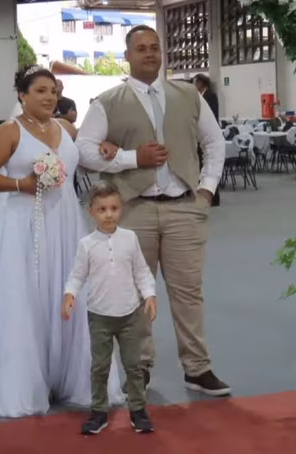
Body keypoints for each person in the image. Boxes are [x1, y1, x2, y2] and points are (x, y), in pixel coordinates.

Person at [0, 65, 124, 418]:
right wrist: (21, 185)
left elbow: (86, 159)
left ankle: (73, 377)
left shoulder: (65, 128)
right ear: (22, 95)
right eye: (41, 91)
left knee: (68, 289)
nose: (50, 97)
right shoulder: (9, 131)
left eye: (53, 91)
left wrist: (106, 149)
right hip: (23, 223)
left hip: (65, 220)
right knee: (27, 296)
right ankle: (24, 381)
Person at [75, 25, 230, 396]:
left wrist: (206, 190)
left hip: (184, 208)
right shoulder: (107, 102)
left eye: (154, 47)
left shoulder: (189, 94)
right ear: (127, 55)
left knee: (188, 293)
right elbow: (83, 151)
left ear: (162, 53)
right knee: (134, 294)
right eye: (141, 48)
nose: (149, 53)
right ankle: (139, 367)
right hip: (133, 209)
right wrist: (131, 159)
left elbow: (214, 143)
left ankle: (197, 367)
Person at [62, 181, 157, 435]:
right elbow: (77, 275)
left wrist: (149, 295)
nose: (109, 214)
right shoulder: (87, 244)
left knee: (134, 366)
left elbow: (142, 271)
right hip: (99, 317)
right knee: (99, 367)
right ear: (91, 211)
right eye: (102, 209)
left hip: (130, 315)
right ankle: (99, 411)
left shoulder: (130, 239)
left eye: (114, 208)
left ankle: (138, 410)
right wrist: (69, 294)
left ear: (121, 208)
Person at [192, 74, 221, 207]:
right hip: (200, 136)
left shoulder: (210, 96)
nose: (194, 86)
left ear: (201, 83)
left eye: (195, 83)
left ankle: (214, 196)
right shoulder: (202, 96)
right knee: (203, 165)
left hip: (209, 131)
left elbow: (211, 116)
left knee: (210, 163)